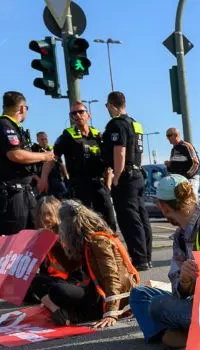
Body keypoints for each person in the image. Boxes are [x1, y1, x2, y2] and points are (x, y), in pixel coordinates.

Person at [128, 175, 200, 349]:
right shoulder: (180, 236)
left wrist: (197, 279)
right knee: (139, 294)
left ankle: (192, 334)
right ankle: (183, 334)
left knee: (158, 306)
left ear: (163, 206)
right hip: (197, 303)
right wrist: (184, 281)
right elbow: (178, 286)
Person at [42, 200, 139, 328]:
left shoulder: (98, 241)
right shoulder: (88, 240)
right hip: (96, 290)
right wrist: (53, 244)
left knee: (57, 290)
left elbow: (111, 277)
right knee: (54, 288)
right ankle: (69, 312)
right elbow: (71, 266)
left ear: (69, 224)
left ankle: (72, 313)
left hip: (109, 295)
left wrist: (111, 312)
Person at [0, 91, 55, 236]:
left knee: (33, 236)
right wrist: (44, 156)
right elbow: (15, 154)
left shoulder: (14, 127)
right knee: (12, 240)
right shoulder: (2, 124)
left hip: (24, 191)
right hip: (9, 193)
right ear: (22, 108)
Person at [41, 102, 118, 233]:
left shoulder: (98, 136)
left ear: (88, 115)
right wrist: (43, 179)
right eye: (73, 113)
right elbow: (52, 157)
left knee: (109, 223)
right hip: (79, 186)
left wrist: (109, 183)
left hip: (99, 186)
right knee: (83, 226)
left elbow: (108, 162)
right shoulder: (67, 136)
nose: (77, 115)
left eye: (81, 112)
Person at [101, 91, 152, 271]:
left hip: (127, 177)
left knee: (129, 219)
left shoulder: (117, 124)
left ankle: (139, 259)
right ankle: (146, 256)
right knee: (141, 216)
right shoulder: (135, 124)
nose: (107, 109)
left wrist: (117, 177)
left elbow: (120, 151)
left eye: (107, 106)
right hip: (138, 174)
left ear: (111, 105)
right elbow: (139, 151)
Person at [25, 196, 82, 304]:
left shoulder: (69, 234)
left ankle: (52, 304)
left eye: (49, 214)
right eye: (43, 214)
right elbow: (43, 268)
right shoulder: (43, 235)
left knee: (57, 289)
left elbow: (75, 268)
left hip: (71, 280)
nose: (46, 218)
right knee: (30, 280)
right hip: (53, 278)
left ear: (58, 214)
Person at [32, 131, 67, 197]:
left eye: (45, 139)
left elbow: (61, 164)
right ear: (37, 140)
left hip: (56, 180)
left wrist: (66, 177)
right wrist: (40, 180)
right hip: (40, 180)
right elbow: (30, 170)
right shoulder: (33, 151)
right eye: (42, 139)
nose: (44, 141)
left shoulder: (52, 149)